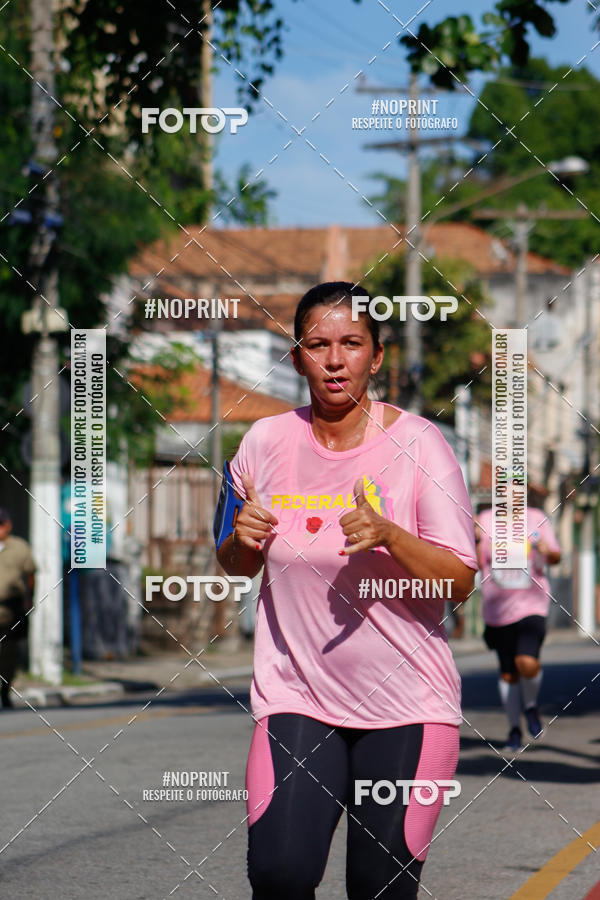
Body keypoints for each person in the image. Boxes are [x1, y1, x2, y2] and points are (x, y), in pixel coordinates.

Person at [214, 282, 478, 899]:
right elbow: (233, 563)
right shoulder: (263, 443)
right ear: (298, 355)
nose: (335, 360)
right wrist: (241, 538)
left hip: (408, 707)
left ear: (376, 356)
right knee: (280, 874)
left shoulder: (419, 444)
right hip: (296, 697)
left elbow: (461, 578)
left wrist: (390, 534)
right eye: (318, 344)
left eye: (351, 344)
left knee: (378, 885)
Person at [476, 487, 561, 753]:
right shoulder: (486, 519)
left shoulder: (536, 518)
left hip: (532, 603)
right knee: (508, 672)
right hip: (497, 607)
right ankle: (514, 728)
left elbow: (556, 557)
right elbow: (477, 562)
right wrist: (477, 541)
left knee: (527, 662)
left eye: (516, 491)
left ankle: (531, 706)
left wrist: (547, 551)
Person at [0, 508, 35, 708]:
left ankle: (5, 691)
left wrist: (29, 601)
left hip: (10, 609)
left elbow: (30, 575)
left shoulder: (20, 548)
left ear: (8, 526)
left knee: (8, 655)